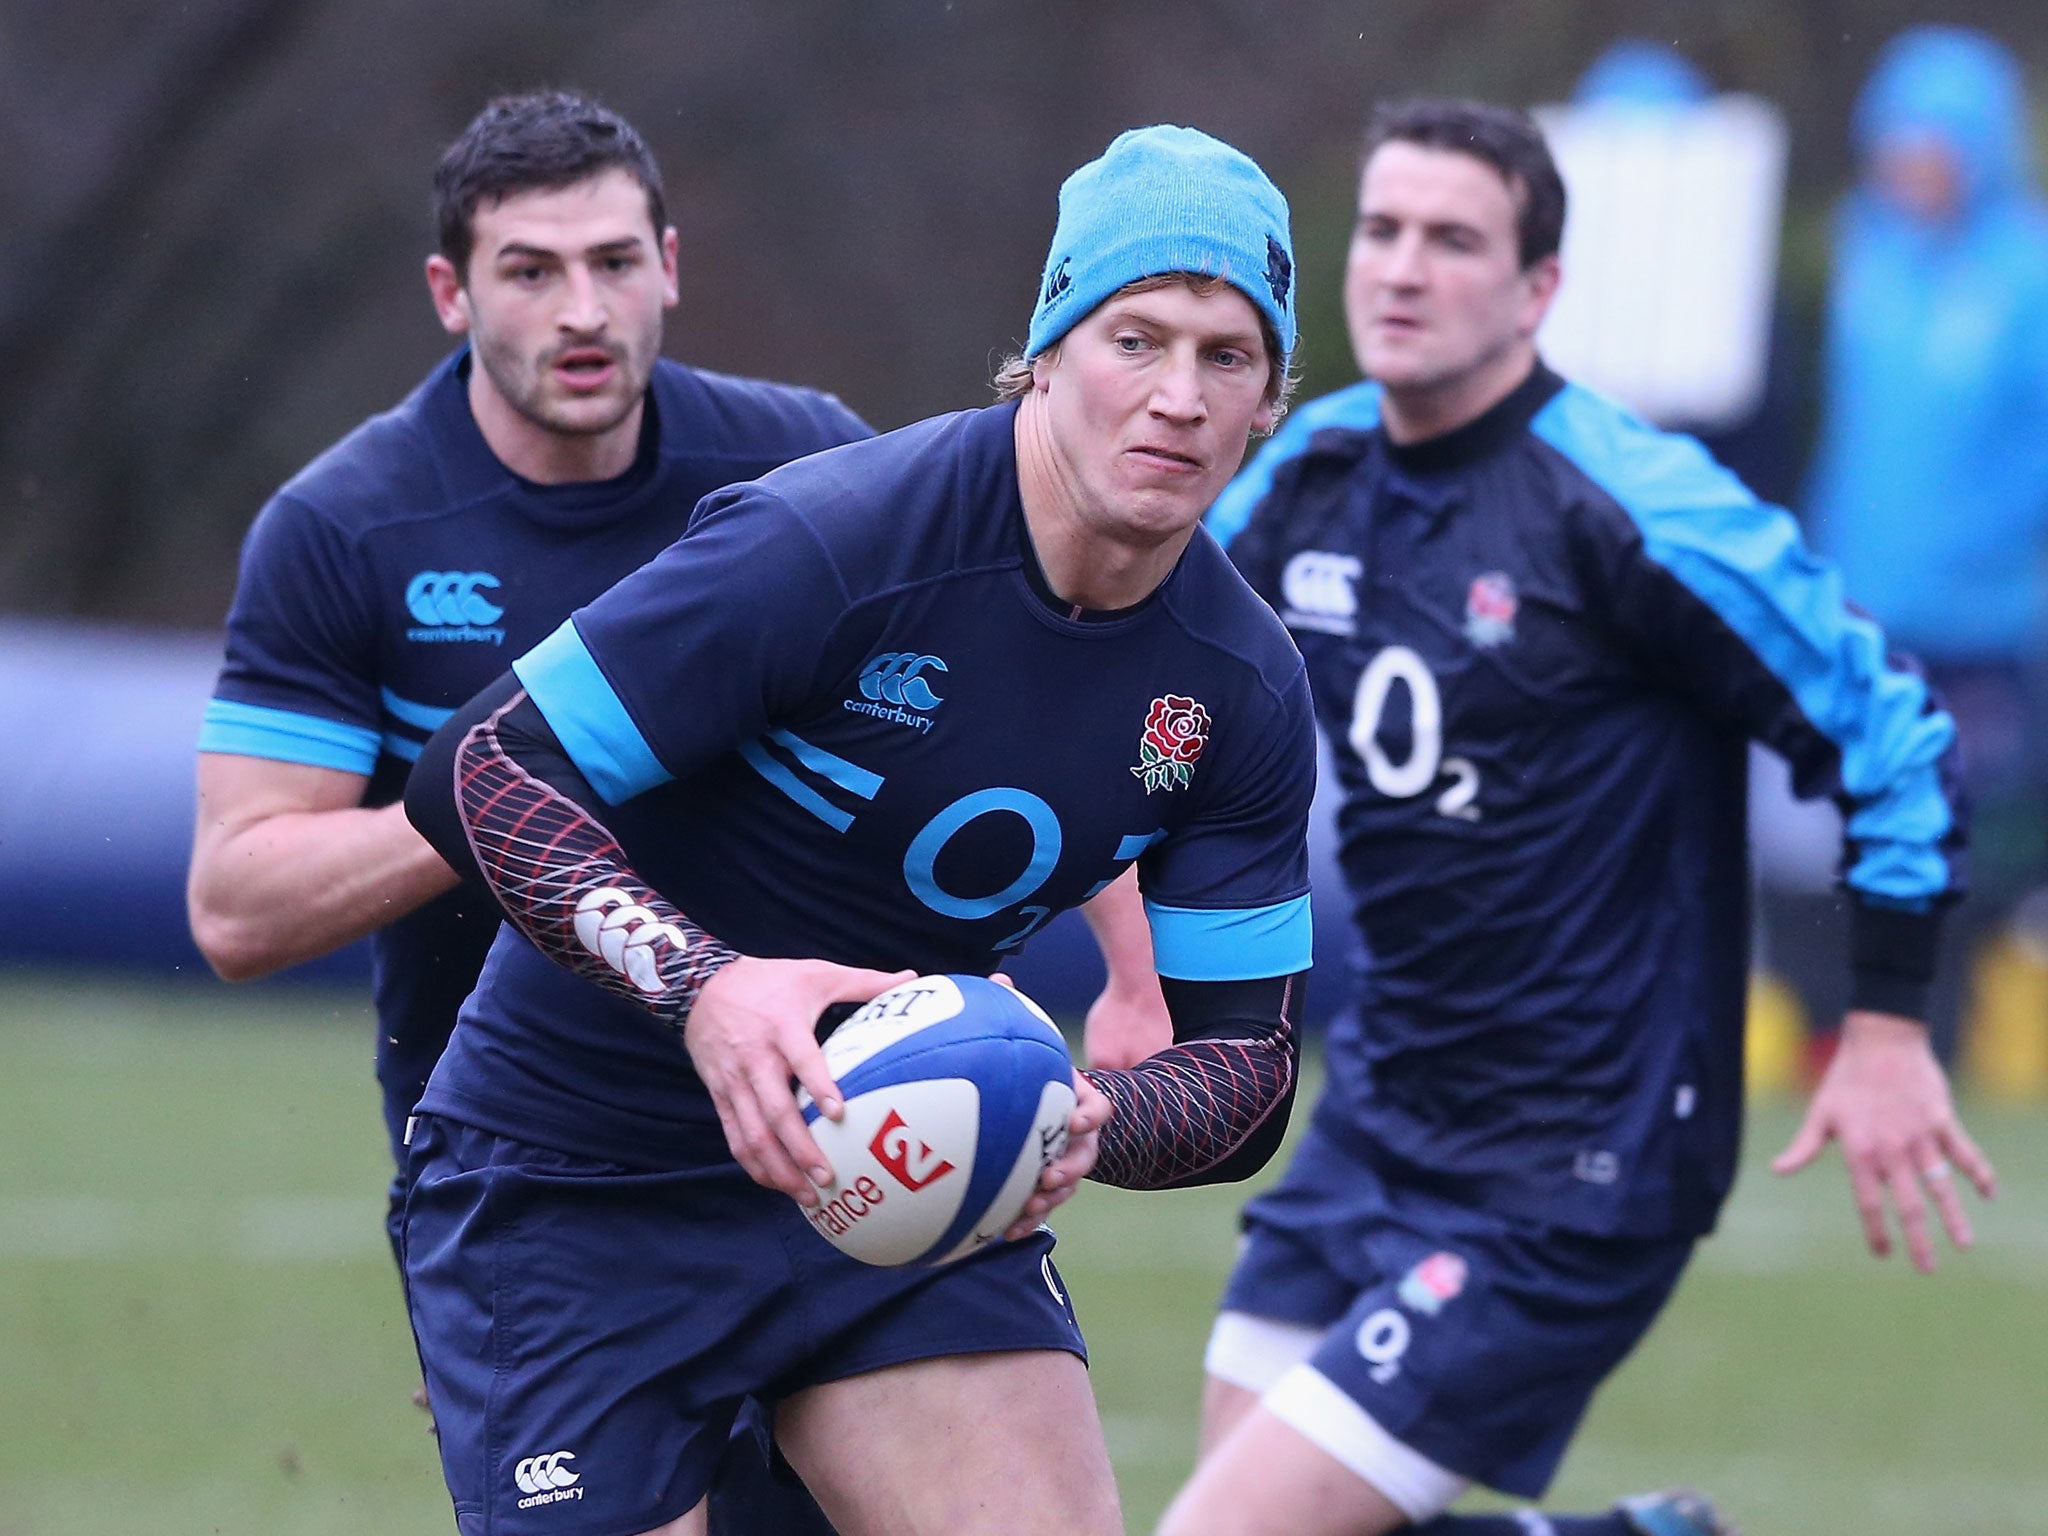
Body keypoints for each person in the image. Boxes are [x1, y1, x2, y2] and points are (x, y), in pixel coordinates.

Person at [400, 123, 1316, 1536]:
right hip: (574, 1184)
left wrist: (1092, 1122)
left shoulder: (1240, 687)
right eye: (1136, 339)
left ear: (1269, 399)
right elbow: (483, 771)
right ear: (1052, 346)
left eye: (1227, 357)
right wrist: (707, 988)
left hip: (907, 1189)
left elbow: (1246, 1060)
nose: (1179, 398)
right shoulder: (833, 543)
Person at [1147, 98, 1993, 1536]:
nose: (1405, 269)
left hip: (1576, 1165)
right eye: (1386, 230)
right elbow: (1136, 672)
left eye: (1456, 240)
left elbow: (1890, 732)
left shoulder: (1640, 509)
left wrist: (1894, 1022)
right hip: (1381, 1117)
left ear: (1539, 288)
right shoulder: (1307, 473)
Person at [183, 89, 871, 1526]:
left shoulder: (799, 468)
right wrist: (504, 798)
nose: (585, 309)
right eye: (531, 270)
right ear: (450, 292)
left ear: (671, 265)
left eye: (616, 264)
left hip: (808, 1146)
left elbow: (1000, 693)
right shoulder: (349, 527)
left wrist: (1125, 970)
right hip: (523, 1185)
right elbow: (237, 906)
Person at [1802, 25, 2048, 1061]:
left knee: (1966, 852)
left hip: (1988, 626)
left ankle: (1960, 1041)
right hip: (1867, 613)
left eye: (1927, 145)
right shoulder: (1865, 251)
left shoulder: (2028, 270)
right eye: (1891, 144)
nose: (1906, 168)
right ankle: (1868, 1039)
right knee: (1864, 839)